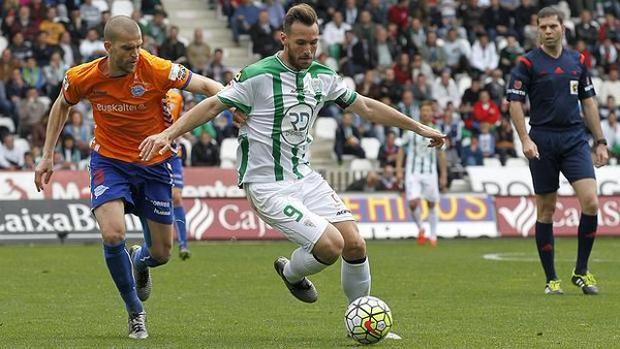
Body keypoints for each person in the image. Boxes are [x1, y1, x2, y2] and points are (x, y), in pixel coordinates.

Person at [139, 3, 444, 332]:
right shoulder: (257, 75)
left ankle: (362, 320)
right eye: (301, 42)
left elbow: (366, 107)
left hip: (306, 177)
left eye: (314, 42)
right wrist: (168, 134)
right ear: (283, 38)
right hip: (266, 184)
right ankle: (290, 272)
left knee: (355, 243)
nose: (309, 49)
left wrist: (418, 127)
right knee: (331, 245)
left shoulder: (323, 77)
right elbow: (213, 105)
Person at [33, 16, 225, 339]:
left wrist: (230, 101)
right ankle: (135, 310)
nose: (136, 53)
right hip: (110, 162)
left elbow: (205, 85)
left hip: (154, 164)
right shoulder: (84, 76)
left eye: (139, 46)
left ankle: (140, 259)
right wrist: (48, 153)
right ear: (108, 47)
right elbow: (61, 105)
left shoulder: (155, 68)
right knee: (112, 234)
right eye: (127, 48)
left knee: (162, 254)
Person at [506, 7, 608, 296]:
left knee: (590, 202)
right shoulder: (527, 63)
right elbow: (514, 102)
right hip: (543, 140)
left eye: (553, 26)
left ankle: (581, 271)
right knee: (547, 209)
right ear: (538, 30)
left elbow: (588, 102)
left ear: (563, 28)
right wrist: (525, 139)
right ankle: (552, 279)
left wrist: (599, 141)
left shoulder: (578, 60)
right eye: (543, 27)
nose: (548, 31)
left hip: (575, 139)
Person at [396, 101, 447, 247]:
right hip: (413, 172)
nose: (425, 113)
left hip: (430, 173)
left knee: (431, 203)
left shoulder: (437, 131)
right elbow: (401, 149)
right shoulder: (411, 130)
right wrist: (399, 169)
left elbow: (442, 154)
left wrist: (443, 174)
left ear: (432, 113)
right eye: (423, 110)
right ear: (420, 112)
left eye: (428, 110)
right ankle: (421, 228)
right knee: (412, 203)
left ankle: (433, 235)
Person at [165, 89, 191, 260]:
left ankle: (183, 243)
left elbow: (180, 120)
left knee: (176, 197)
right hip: (152, 152)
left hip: (173, 153)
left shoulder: (176, 97)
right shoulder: (145, 90)